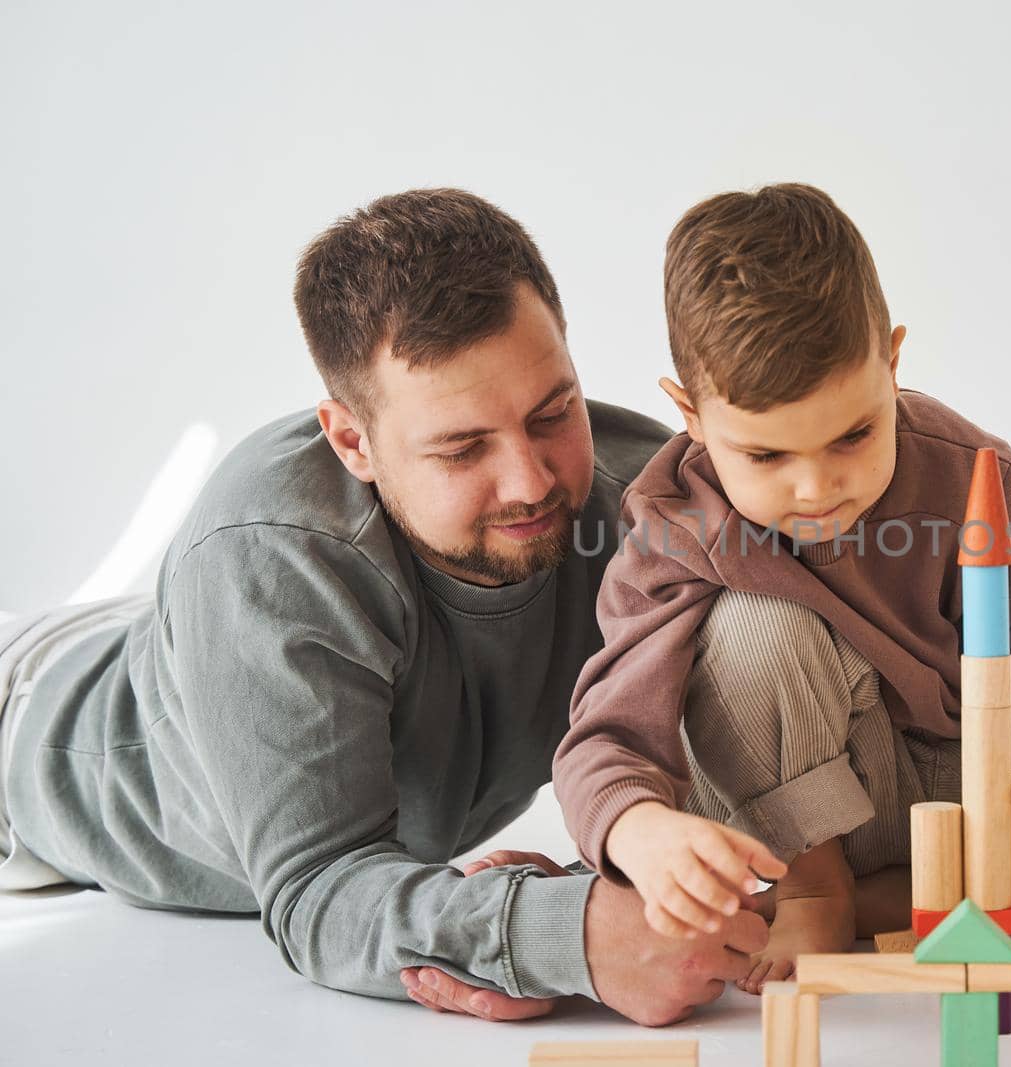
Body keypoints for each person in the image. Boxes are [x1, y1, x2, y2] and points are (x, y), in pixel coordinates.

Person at [0, 187, 768, 1025]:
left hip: (171, 639)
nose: (532, 481)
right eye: (462, 448)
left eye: (553, 412)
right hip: (34, 734)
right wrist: (561, 932)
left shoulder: (649, 505)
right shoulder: (268, 557)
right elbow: (319, 893)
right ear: (352, 441)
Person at [553, 183, 1011, 992]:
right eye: (767, 457)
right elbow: (607, 735)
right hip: (785, 803)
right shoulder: (670, 524)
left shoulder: (971, 473)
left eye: (854, 434)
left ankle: (899, 904)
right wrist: (639, 829)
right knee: (754, 627)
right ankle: (812, 891)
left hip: (970, 797)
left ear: (893, 362)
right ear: (690, 414)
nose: (816, 487)